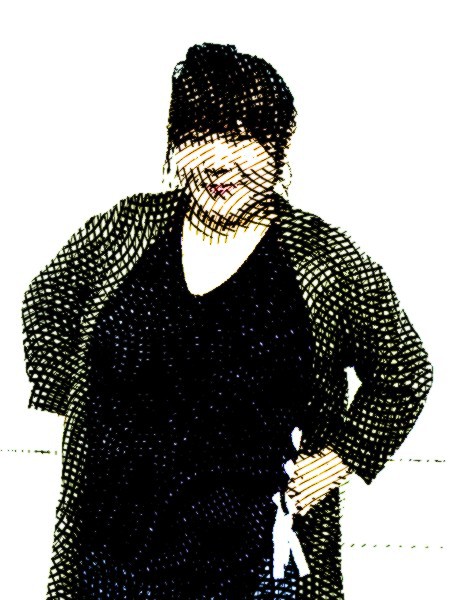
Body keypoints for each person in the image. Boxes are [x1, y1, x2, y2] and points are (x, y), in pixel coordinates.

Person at [22, 43, 433, 599]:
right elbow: (47, 298)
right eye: (197, 136)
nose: (217, 161)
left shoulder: (323, 260)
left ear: (280, 145)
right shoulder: (126, 229)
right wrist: (78, 406)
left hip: (256, 565)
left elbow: (405, 371)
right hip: (112, 554)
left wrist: (340, 457)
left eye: (241, 137)